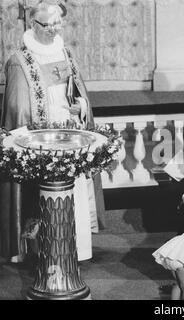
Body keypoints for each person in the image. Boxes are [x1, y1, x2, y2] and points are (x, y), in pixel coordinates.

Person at [0, 1, 104, 262]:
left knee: (75, 192)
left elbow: (80, 94)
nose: (54, 30)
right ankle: (41, 251)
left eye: (58, 23)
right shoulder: (19, 61)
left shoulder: (67, 53)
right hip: (41, 144)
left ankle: (78, 249)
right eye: (47, 25)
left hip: (71, 135)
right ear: (33, 24)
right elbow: (16, 109)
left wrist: (80, 106)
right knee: (41, 197)